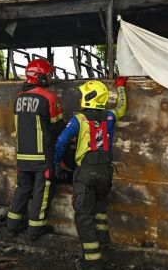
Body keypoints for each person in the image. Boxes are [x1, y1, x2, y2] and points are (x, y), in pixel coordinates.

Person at [54, 77, 127, 270]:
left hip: (85, 173)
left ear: (89, 97)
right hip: (105, 172)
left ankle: (93, 261)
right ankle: (104, 244)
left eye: (83, 94)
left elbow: (61, 141)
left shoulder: (79, 119)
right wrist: (121, 87)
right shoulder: (111, 116)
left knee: (84, 215)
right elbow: (121, 107)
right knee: (100, 210)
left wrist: (58, 162)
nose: (80, 98)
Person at [6, 59, 65, 241]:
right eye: (47, 74)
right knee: (42, 191)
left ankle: (12, 226)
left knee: (22, 188)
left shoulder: (18, 99)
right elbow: (57, 127)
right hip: (42, 158)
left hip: (22, 156)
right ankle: (35, 231)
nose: (49, 77)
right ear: (40, 75)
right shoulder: (48, 98)